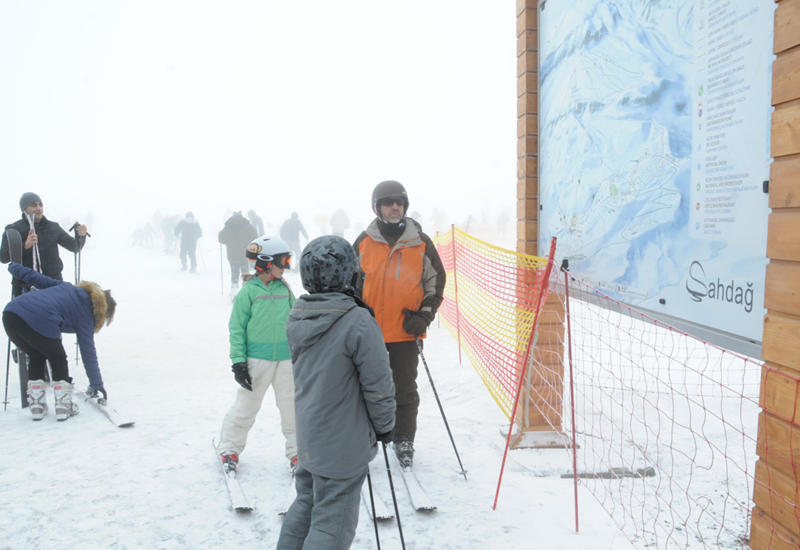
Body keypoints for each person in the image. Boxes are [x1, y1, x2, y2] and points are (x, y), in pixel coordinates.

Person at [277, 235, 395, 550]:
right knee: (333, 521)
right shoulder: (357, 321)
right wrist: (385, 426)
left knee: (307, 500)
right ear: (348, 274)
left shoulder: (299, 313)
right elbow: (378, 386)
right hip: (342, 445)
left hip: (311, 436)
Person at [353, 180, 446, 469]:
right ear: (376, 207)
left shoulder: (420, 242)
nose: (395, 207)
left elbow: (436, 283)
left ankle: (404, 439)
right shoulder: (364, 243)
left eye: (400, 202)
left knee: (404, 389)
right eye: (388, 202)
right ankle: (364, 436)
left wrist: (423, 317)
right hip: (368, 333)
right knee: (363, 388)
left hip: (406, 332)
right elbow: (350, 286)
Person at [215, 236, 298, 474]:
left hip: (286, 360)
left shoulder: (286, 290)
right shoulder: (248, 293)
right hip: (257, 361)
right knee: (246, 406)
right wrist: (239, 362)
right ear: (265, 263)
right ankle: (229, 447)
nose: (287, 266)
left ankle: (298, 453)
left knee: (292, 408)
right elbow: (236, 329)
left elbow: (295, 322)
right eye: (283, 261)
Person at [2, 262, 115, 421]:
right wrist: (97, 384)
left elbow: (37, 278)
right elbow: (88, 353)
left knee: (37, 354)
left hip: (11, 315)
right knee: (58, 358)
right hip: (39, 319)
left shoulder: (67, 288)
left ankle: (37, 406)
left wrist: (14, 267)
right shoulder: (86, 316)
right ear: (102, 311)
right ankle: (63, 405)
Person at [0, 192, 88, 297]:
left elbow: (74, 246)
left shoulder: (53, 227)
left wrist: (81, 236)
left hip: (53, 283)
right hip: (24, 286)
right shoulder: (13, 230)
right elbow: (3, 258)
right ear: (24, 208)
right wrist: (25, 246)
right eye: (33, 205)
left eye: (40, 205)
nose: (38, 208)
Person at [218, 211, 257, 292]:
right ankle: (246, 291)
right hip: (245, 254)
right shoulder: (247, 225)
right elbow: (255, 237)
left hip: (232, 254)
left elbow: (221, 239)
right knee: (245, 273)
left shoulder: (228, 226)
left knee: (234, 273)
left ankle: (234, 291)